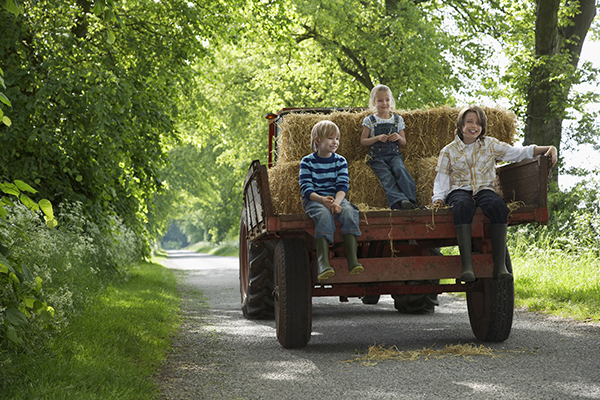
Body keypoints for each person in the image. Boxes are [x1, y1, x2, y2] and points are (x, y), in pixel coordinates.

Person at [432, 105, 557, 283]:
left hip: (484, 189)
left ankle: (500, 266)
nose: (474, 126)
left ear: (482, 127)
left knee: (497, 206)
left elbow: (517, 153)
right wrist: (438, 198)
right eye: (469, 122)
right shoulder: (448, 151)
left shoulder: (490, 144)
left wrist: (547, 148)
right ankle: (467, 266)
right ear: (460, 125)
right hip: (460, 190)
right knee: (462, 206)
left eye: (479, 123)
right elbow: (442, 178)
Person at [299, 120, 364, 280]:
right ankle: (323, 263)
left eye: (337, 138)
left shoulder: (340, 161)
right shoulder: (307, 162)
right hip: (315, 199)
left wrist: (336, 202)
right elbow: (306, 189)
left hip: (336, 197)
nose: (335, 142)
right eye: (330, 138)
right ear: (317, 140)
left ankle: (353, 260)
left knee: (348, 211)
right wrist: (322, 200)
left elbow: (342, 186)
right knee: (323, 215)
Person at [361, 84, 417, 210]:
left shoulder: (398, 120)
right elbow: (363, 141)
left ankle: (411, 199)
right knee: (387, 177)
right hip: (376, 157)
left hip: (394, 155)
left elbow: (403, 142)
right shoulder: (370, 120)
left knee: (400, 169)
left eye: (387, 100)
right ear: (373, 102)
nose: (384, 103)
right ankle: (400, 200)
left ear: (391, 101)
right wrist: (376, 138)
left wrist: (398, 137)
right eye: (380, 100)